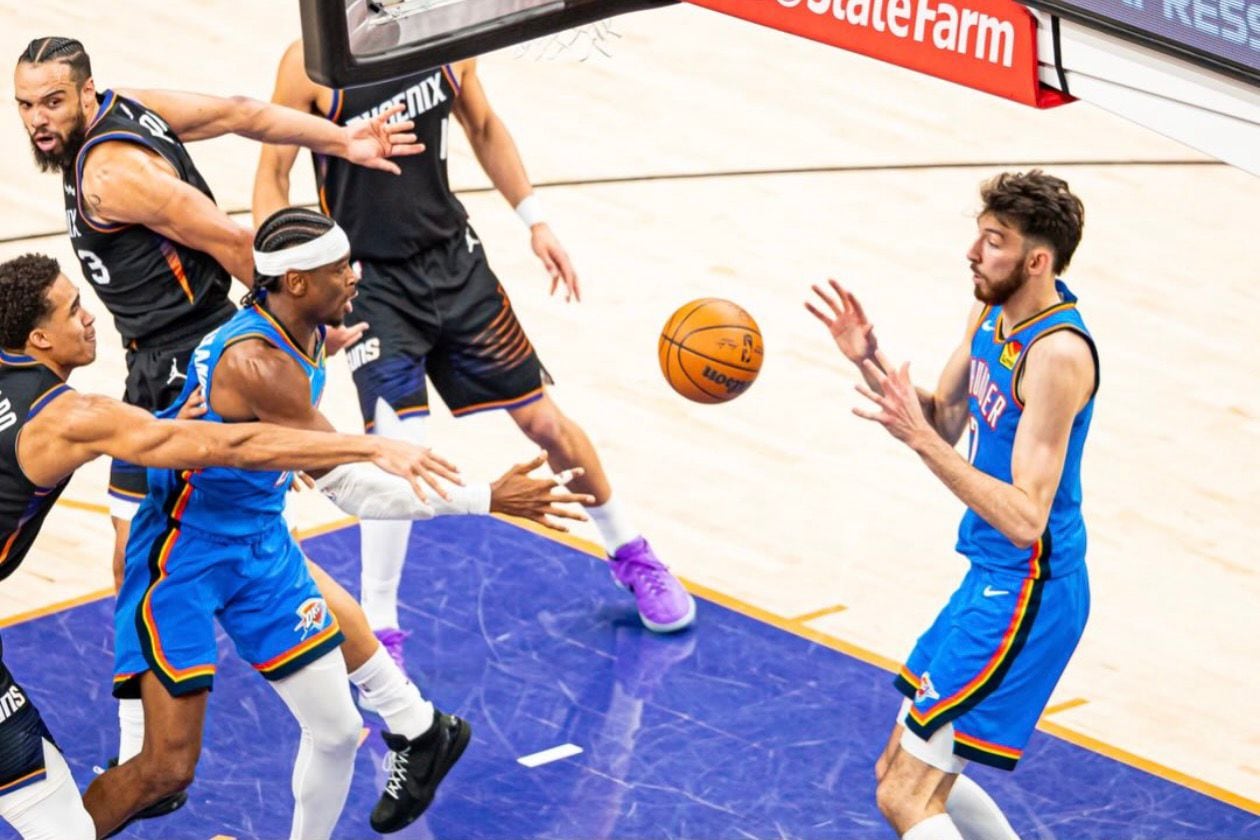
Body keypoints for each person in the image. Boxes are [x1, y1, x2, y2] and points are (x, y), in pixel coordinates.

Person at [83, 208, 594, 839]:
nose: (355, 276)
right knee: (163, 771)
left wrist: (286, 457)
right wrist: (484, 497)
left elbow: (292, 443)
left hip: (260, 543)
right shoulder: (258, 362)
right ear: (296, 282)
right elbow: (353, 488)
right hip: (182, 555)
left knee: (337, 730)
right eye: (339, 268)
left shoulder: (306, 329)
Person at [254, 43, 696, 661]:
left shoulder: (440, 34)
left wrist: (535, 220)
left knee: (543, 421)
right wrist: (289, 291)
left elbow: (483, 126)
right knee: (397, 441)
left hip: (455, 265)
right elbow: (272, 175)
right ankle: (380, 625)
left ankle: (631, 552)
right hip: (370, 281)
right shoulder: (313, 61)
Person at [0, 251, 459, 839]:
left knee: (81, 813)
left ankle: (408, 714)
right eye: (72, 310)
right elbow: (233, 448)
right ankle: (407, 714)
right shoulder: (66, 417)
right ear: (39, 338)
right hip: (202, 525)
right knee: (65, 825)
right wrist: (367, 446)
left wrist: (173, 422)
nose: (88, 317)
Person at [13, 35, 420, 593]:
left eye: (52, 102)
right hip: (161, 357)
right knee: (176, 553)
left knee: (185, 554)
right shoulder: (126, 105)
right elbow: (239, 112)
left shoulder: (112, 176)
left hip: (184, 361)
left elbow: (232, 241)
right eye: (26, 104)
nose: (38, 119)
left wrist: (295, 327)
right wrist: (343, 140)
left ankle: (374, 608)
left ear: (86, 93)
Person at [806, 171, 1095, 840]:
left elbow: (1026, 519)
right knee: (895, 774)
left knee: (906, 796)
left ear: (1037, 261)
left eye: (993, 241)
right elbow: (942, 419)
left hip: (1029, 590)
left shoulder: (1058, 355)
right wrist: (868, 360)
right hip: (991, 578)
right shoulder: (990, 316)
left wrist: (920, 440)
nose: (973, 252)